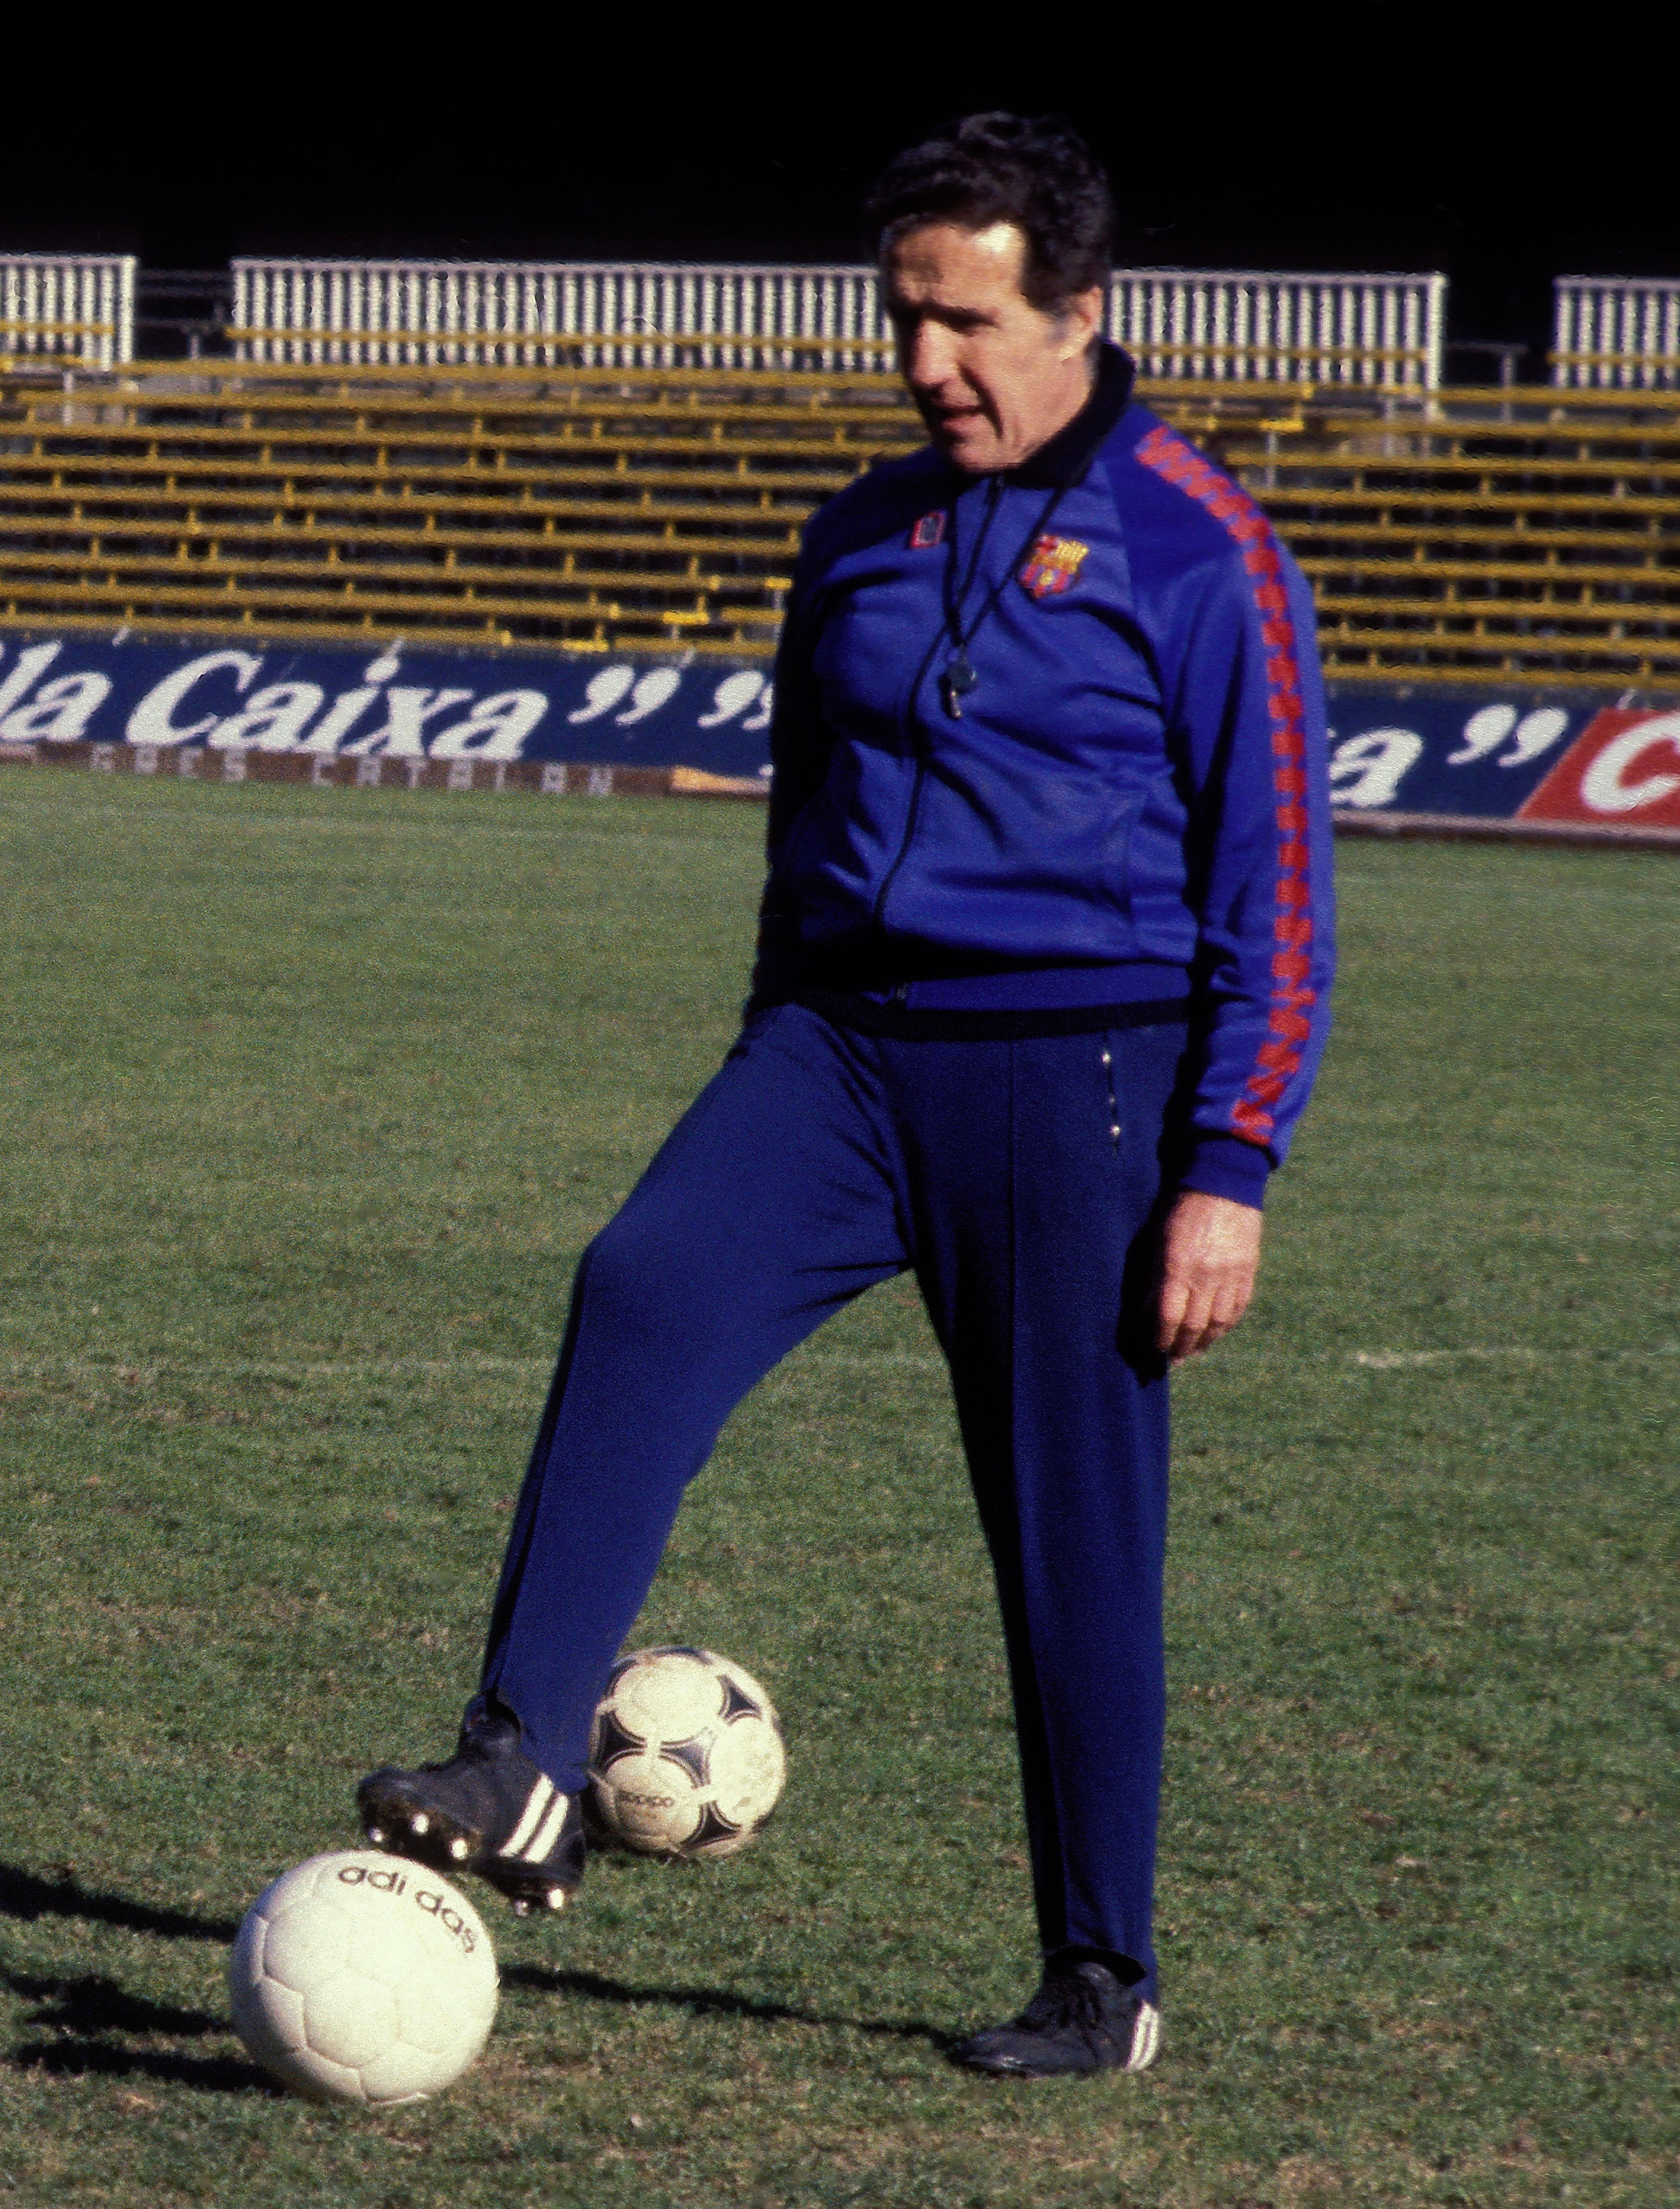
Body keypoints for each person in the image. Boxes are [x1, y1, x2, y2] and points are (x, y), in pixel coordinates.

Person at [355, 112, 1336, 2079]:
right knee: (640, 1282)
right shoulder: (858, 534)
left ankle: (1098, 1977)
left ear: (1079, 309)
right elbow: (807, 825)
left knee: (1067, 1529)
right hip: (836, 1056)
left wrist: (1228, 1162)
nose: (926, 364)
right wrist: (766, 1045)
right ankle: (522, 1756)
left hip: (1086, 1083)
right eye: (906, 319)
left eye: (967, 322)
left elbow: (1281, 886)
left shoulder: (1199, 544)